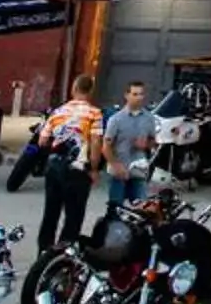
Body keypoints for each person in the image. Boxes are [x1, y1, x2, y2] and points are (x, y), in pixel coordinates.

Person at [35, 75, 104, 250]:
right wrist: (94, 168)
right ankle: (65, 254)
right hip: (78, 170)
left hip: (54, 166)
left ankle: (44, 252)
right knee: (73, 215)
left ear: (74, 89)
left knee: (50, 212)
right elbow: (96, 142)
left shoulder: (58, 112)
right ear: (90, 91)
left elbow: (42, 140)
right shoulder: (94, 113)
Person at [101, 80, 159, 208]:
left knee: (142, 209)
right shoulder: (116, 119)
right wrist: (116, 165)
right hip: (119, 169)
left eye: (141, 94)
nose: (139, 98)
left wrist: (147, 144)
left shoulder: (149, 118)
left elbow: (154, 142)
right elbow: (106, 146)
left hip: (139, 169)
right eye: (135, 94)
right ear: (127, 95)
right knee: (115, 208)